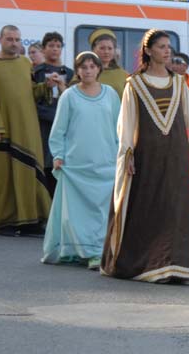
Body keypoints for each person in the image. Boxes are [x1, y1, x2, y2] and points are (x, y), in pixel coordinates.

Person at [100, 29, 189, 284]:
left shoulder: (179, 83)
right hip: (146, 155)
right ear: (148, 51)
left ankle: (177, 266)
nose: (167, 50)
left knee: (175, 209)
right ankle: (149, 264)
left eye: (168, 46)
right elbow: (126, 123)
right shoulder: (134, 84)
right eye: (161, 46)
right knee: (148, 208)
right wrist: (127, 153)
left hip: (175, 156)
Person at [0, 25, 52, 235]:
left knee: (29, 172)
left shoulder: (25, 63)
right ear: (0, 40)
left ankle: (31, 221)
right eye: (10, 39)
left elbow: (31, 92)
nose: (14, 43)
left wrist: (46, 86)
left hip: (27, 129)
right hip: (3, 130)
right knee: (3, 176)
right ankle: (4, 221)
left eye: (17, 39)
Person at [42, 52, 120, 269]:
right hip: (75, 165)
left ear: (98, 69)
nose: (88, 71)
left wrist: (122, 155)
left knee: (102, 212)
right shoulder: (69, 96)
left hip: (106, 164)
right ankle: (83, 252)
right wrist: (58, 155)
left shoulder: (111, 95)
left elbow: (119, 129)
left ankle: (98, 251)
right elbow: (59, 130)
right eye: (83, 67)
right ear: (77, 71)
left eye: (92, 66)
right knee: (76, 214)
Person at [32, 32, 73, 197]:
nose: (55, 49)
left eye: (58, 46)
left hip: (63, 128)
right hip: (43, 126)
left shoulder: (70, 73)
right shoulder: (37, 72)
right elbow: (31, 100)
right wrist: (46, 87)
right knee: (43, 164)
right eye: (51, 46)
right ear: (43, 49)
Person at [89, 28, 129, 98]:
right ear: (93, 50)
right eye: (102, 48)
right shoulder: (85, 72)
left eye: (110, 48)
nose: (106, 52)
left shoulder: (123, 75)